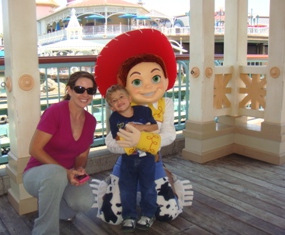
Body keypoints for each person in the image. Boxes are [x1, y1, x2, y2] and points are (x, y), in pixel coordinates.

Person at [91, 29, 193, 226]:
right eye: (137, 81)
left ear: (165, 78)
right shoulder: (120, 107)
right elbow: (111, 142)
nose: (147, 86)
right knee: (112, 217)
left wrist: (142, 140)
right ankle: (111, 183)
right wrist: (132, 144)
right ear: (125, 87)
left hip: (151, 160)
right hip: (127, 161)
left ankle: (170, 180)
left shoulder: (166, 104)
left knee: (166, 214)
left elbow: (170, 134)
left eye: (155, 78)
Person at [23, 71, 97, 235]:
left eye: (90, 90)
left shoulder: (91, 121)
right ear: (69, 90)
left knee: (84, 202)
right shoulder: (55, 112)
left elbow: (82, 156)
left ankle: (58, 211)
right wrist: (66, 171)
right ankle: (44, 231)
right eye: (79, 89)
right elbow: (34, 149)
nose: (85, 94)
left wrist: (78, 169)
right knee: (55, 173)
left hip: (66, 175)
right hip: (38, 174)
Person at [105, 84, 159, 231]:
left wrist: (140, 127)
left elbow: (155, 127)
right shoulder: (114, 118)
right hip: (128, 158)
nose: (119, 101)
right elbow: (117, 137)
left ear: (129, 98)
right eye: (114, 101)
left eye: (121, 97)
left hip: (147, 156)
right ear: (112, 107)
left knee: (148, 186)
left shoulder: (143, 110)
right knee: (127, 188)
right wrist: (126, 131)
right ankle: (129, 216)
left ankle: (148, 213)